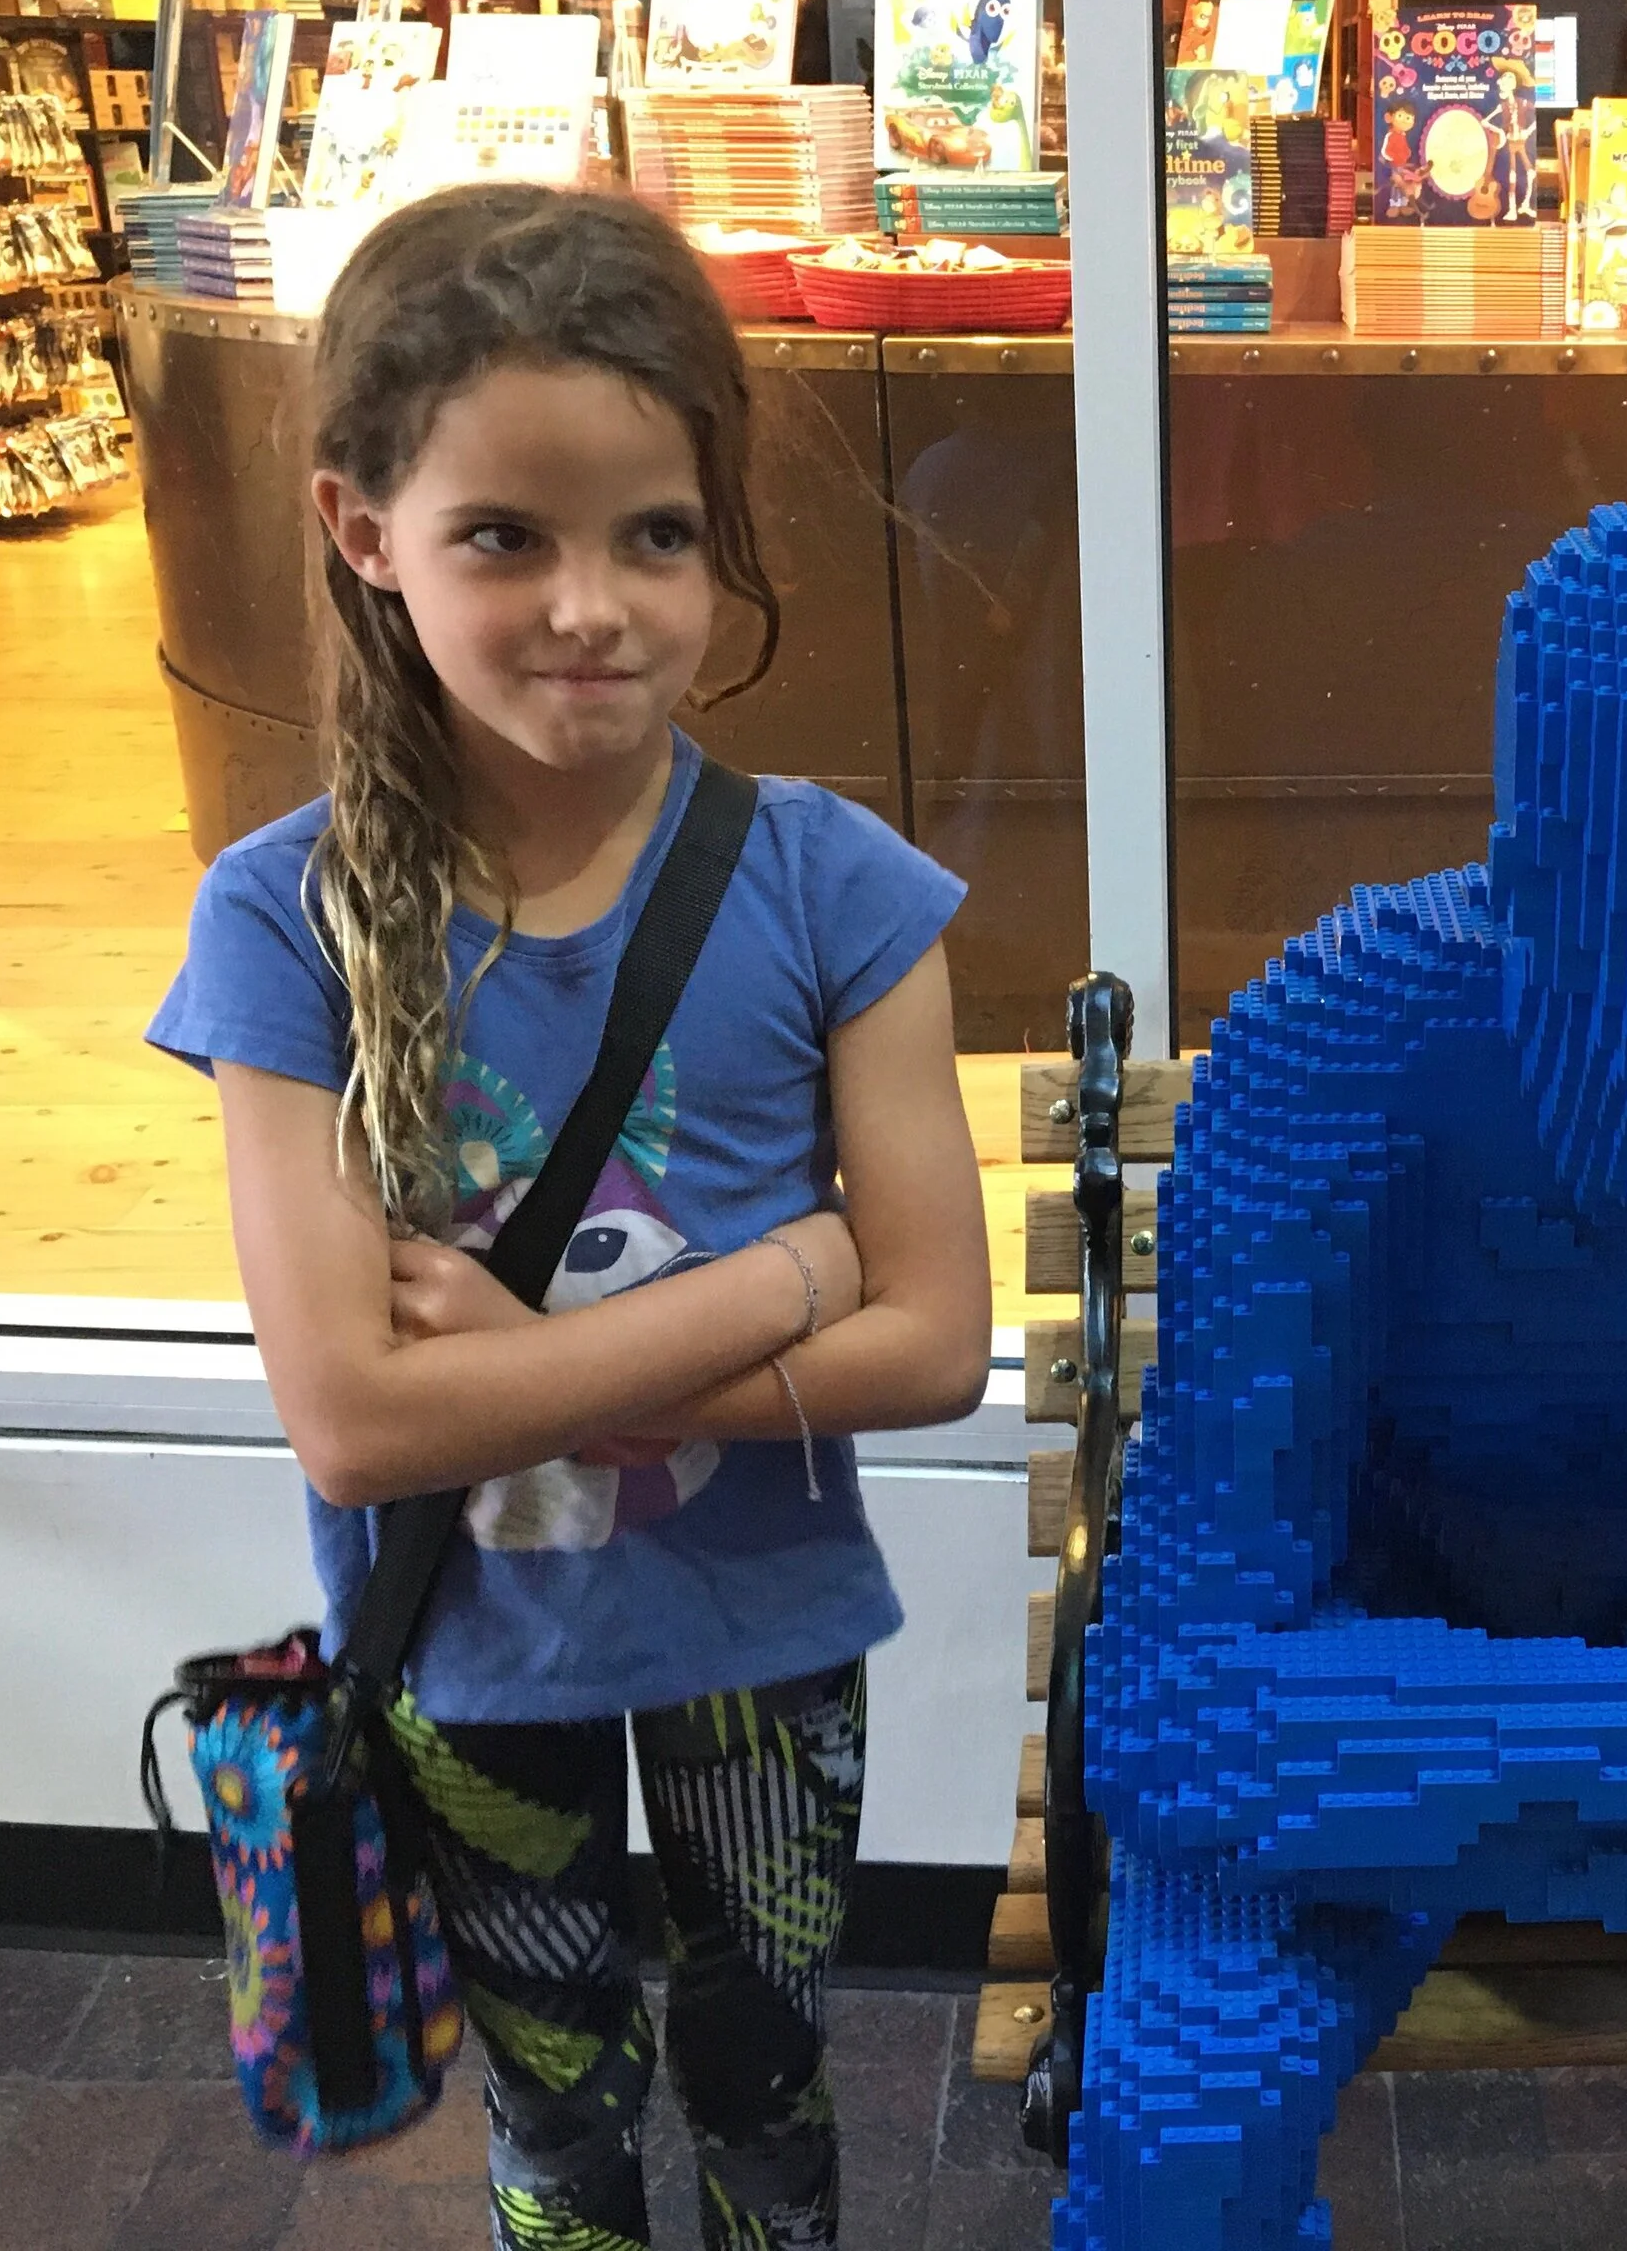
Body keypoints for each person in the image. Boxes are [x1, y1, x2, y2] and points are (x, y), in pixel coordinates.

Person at [145, 184, 992, 2251]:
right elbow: (350, 1421)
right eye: (501, 537)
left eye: (656, 534)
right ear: (368, 534)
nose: (589, 605)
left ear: (722, 542)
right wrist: (791, 1273)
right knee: (558, 2116)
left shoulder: (830, 885)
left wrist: (514, 1373)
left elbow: (939, 1341)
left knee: (768, 2080)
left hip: (763, 1642)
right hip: (467, 1648)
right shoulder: (288, 919)